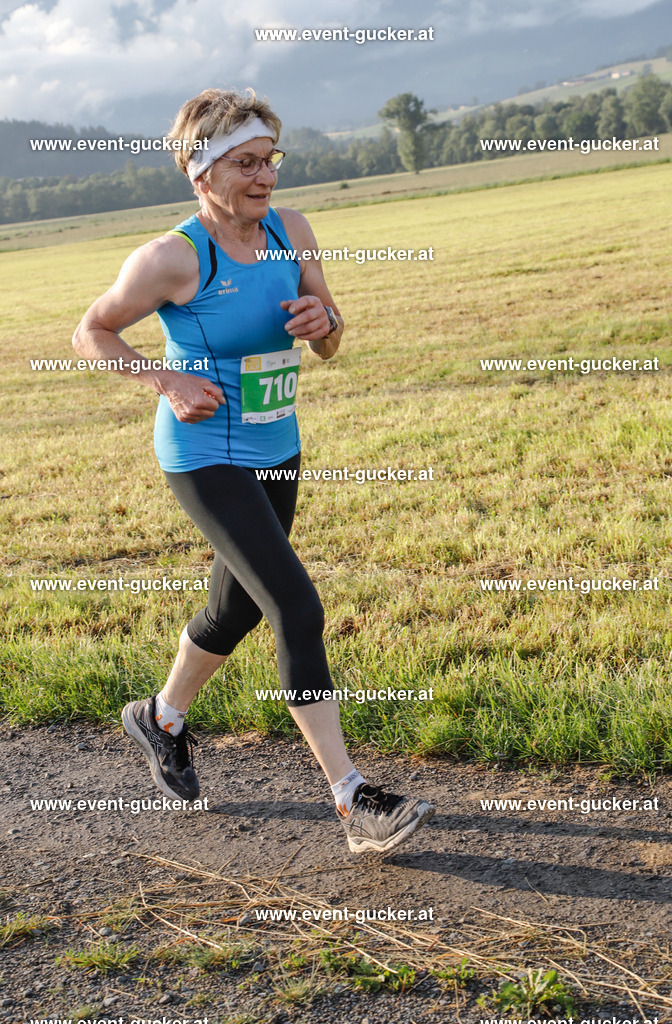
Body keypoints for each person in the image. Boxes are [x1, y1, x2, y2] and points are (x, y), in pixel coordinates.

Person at [72, 87, 434, 854]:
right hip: (203, 455)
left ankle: (159, 716)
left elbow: (329, 336)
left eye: (271, 159)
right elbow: (91, 330)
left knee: (234, 610)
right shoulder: (173, 256)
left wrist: (324, 324)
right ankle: (353, 800)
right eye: (245, 162)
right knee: (296, 608)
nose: (265, 176)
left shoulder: (292, 230)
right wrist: (162, 380)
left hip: (277, 447)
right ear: (200, 172)